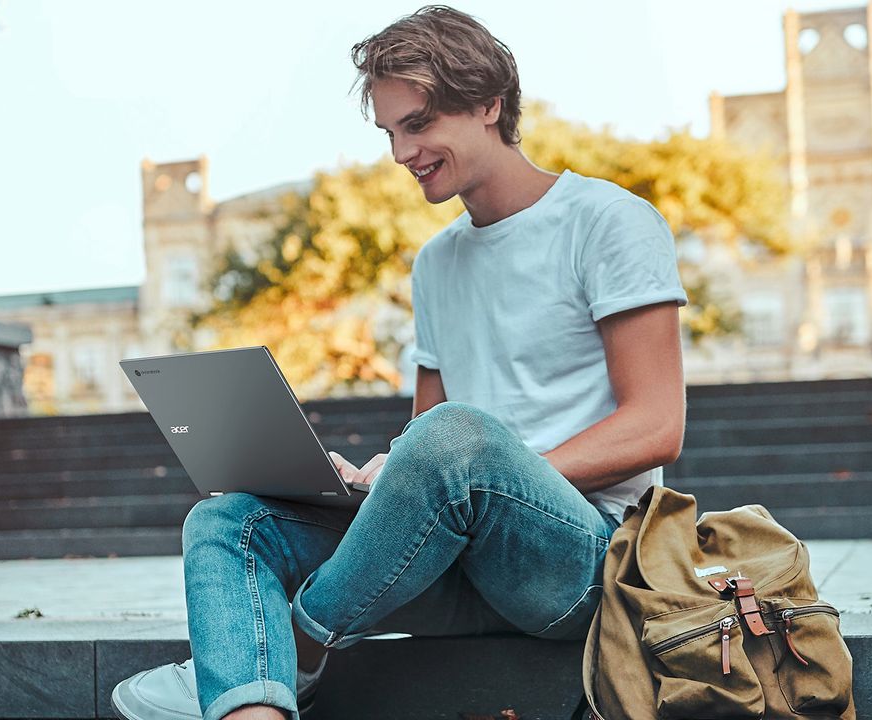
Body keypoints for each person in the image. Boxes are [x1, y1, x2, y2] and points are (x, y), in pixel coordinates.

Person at [111, 6, 689, 720]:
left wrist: (465, 469)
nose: (399, 153)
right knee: (229, 520)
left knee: (458, 440)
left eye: (417, 124)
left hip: (580, 562)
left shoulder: (608, 221)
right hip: (450, 559)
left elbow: (657, 427)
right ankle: (252, 707)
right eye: (389, 132)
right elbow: (424, 440)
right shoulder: (436, 262)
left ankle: (294, 644)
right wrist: (380, 476)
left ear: (488, 103)